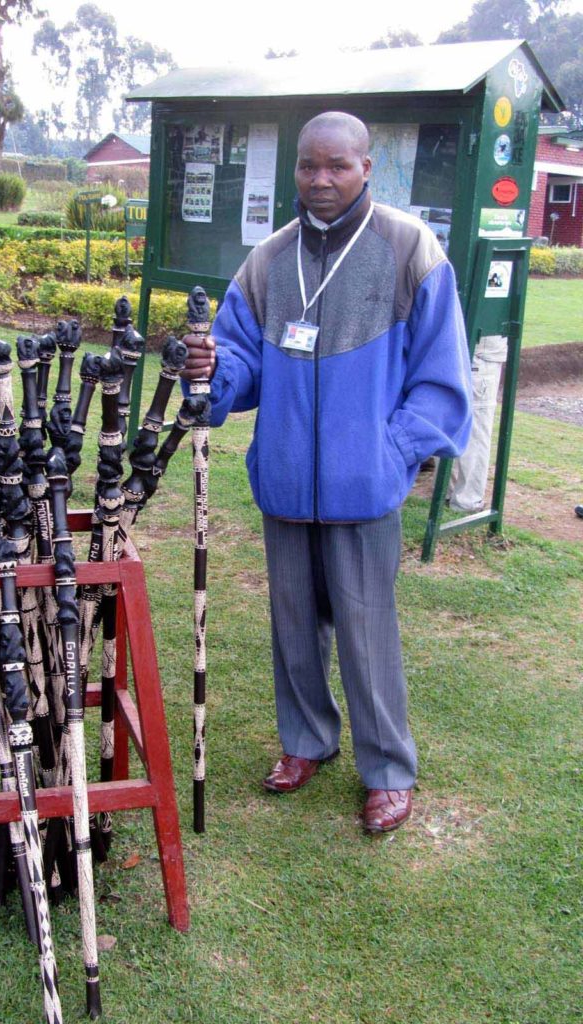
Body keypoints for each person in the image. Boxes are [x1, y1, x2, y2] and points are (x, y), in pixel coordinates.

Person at [181, 111, 472, 833]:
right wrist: (214, 371)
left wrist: (389, 452)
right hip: (284, 480)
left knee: (367, 629)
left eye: (337, 166)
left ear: (366, 167)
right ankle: (307, 741)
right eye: (309, 166)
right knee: (292, 623)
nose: (320, 180)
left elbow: (440, 379)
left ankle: (388, 770)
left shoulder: (410, 249)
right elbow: (240, 360)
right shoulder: (269, 259)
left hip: (362, 488)